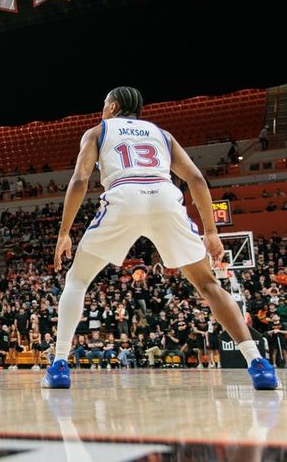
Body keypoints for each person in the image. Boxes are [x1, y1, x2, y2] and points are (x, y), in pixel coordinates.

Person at [43, 86, 278, 390]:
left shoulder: (97, 131)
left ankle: (60, 365)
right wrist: (210, 231)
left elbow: (79, 180)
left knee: (77, 281)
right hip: (165, 196)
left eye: (104, 105)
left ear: (113, 107)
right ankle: (258, 363)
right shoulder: (162, 134)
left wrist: (64, 233)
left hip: (124, 195)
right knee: (208, 284)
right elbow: (195, 178)